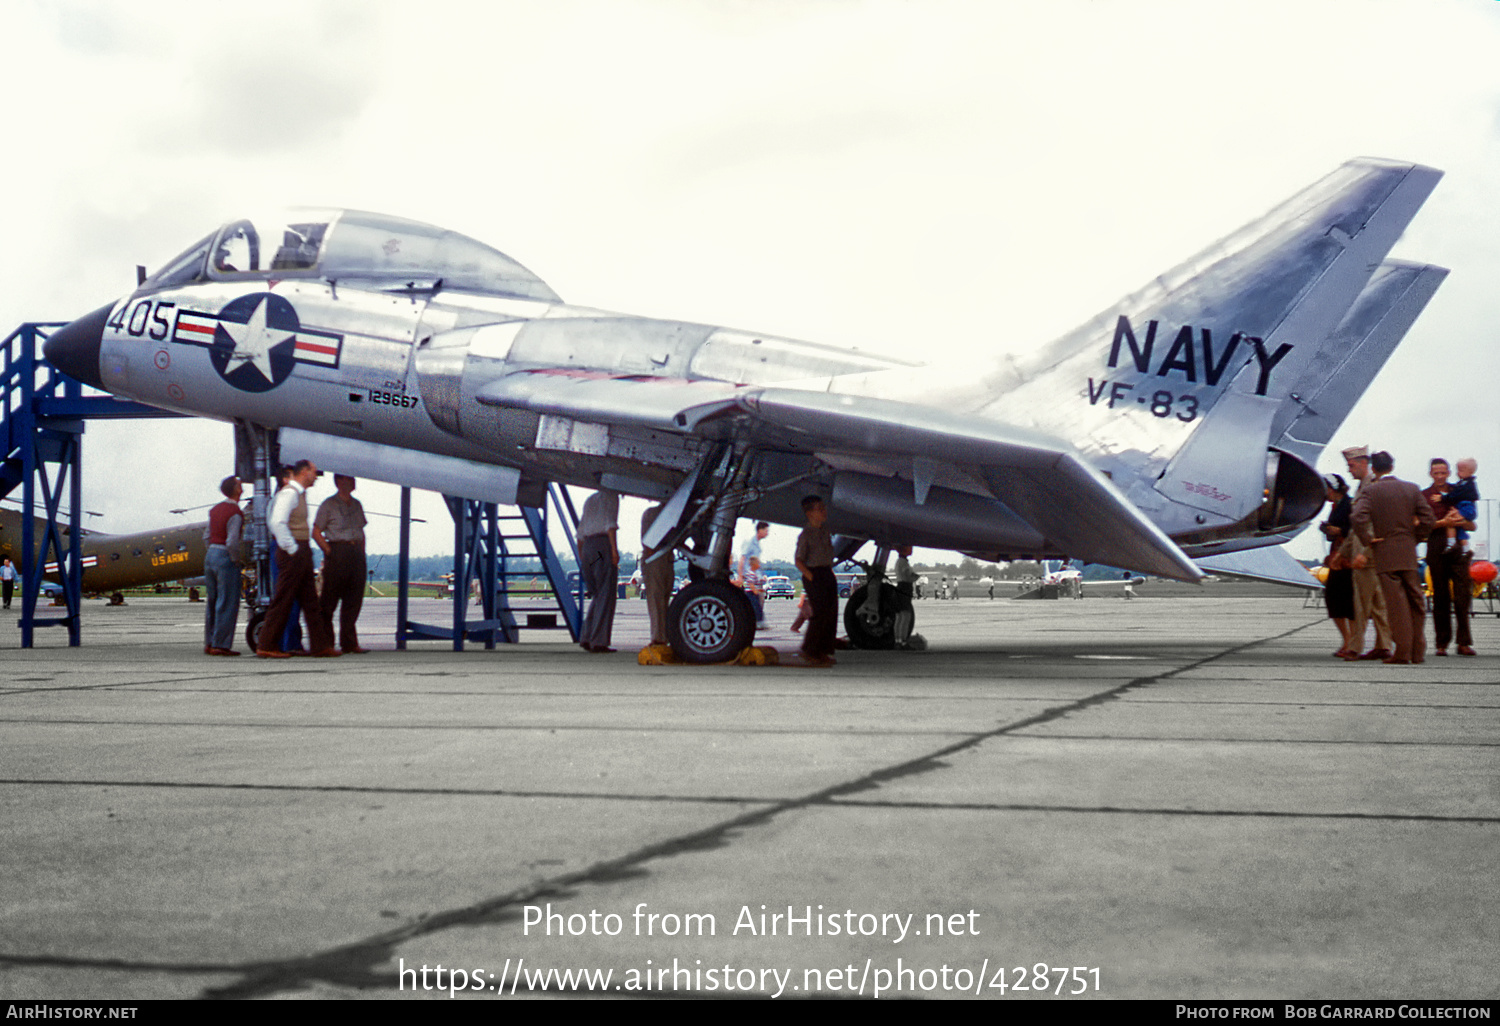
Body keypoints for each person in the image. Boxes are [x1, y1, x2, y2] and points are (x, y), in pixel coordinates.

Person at [1351, 451, 1436, 665]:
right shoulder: (1412, 489)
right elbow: (1428, 519)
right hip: (1408, 551)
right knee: (1416, 601)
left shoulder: (1371, 491)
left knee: (1396, 605)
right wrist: (1415, 538)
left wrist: (1368, 539)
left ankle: (1403, 652)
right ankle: (1418, 651)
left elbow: (1357, 517)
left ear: (1374, 468)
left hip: (1385, 552)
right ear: (1392, 466)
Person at [257, 460, 338, 659]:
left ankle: (320, 645)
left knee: (310, 600)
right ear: (303, 473)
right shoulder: (289, 494)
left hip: (301, 550)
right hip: (293, 551)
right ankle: (267, 644)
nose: (315, 476)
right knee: (283, 599)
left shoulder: (299, 494)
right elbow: (277, 522)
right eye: (313, 471)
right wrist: (292, 549)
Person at [1339, 445, 1394, 661]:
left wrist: (1365, 553)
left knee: (1361, 605)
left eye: (1351, 465)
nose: (1349, 470)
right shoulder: (1363, 487)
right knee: (1379, 605)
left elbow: (1374, 524)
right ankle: (1383, 645)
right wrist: (1342, 552)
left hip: (1367, 555)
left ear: (1364, 464)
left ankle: (1355, 647)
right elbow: (1355, 527)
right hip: (1371, 554)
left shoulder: (1372, 487)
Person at [1422, 458, 1478, 657]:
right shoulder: (1424, 496)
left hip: (1458, 548)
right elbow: (1421, 526)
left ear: (1448, 473)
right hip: (1436, 546)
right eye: (1436, 473)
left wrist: (1461, 522)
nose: (1439, 477)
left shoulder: (1459, 492)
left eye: (1443, 473)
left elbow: (1473, 525)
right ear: (1430, 474)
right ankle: (1441, 643)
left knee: (1463, 595)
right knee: (1441, 597)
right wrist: (1443, 522)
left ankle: (1464, 643)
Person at [314, 474, 369, 654]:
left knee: (353, 600)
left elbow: (361, 530)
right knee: (329, 600)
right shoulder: (328, 505)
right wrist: (329, 551)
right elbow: (316, 532)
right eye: (348, 479)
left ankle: (350, 643)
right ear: (339, 482)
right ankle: (326, 643)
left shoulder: (357, 504)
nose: (353, 482)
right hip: (337, 551)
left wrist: (362, 553)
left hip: (356, 553)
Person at [203, 476, 245, 656]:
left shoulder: (214, 510)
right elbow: (232, 541)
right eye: (240, 484)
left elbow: (206, 536)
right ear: (236, 490)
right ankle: (221, 645)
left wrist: (212, 550)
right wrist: (236, 559)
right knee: (227, 601)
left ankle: (210, 642)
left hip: (210, 554)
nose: (242, 487)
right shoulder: (235, 513)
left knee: (212, 601)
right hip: (224, 557)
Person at [794, 495, 837, 665]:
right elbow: (798, 560)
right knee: (819, 614)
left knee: (830, 614)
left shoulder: (825, 531)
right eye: (820, 509)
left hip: (827, 572)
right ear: (810, 513)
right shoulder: (806, 535)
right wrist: (812, 577)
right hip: (814, 574)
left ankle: (823, 650)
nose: (824, 511)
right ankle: (810, 650)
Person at [1318, 473, 1357, 658]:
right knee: (1334, 598)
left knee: (1345, 600)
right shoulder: (1337, 507)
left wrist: (1339, 530)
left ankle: (1351, 641)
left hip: (1346, 555)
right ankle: (1348, 639)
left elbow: (1355, 528)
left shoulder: (1349, 505)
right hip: (1337, 553)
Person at [578, 489, 619, 653]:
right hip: (602, 547)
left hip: (588, 548)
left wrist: (583, 556)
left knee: (597, 593)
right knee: (605, 593)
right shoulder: (611, 496)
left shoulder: (590, 499)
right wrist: (614, 551)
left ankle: (587, 636)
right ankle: (599, 641)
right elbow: (610, 525)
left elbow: (580, 532)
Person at [640, 503, 673, 647]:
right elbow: (647, 542)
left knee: (660, 599)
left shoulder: (652, 513)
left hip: (662, 555)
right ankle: (659, 636)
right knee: (658, 599)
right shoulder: (655, 513)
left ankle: (661, 635)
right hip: (656, 555)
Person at [738, 521, 771, 631]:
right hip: (750, 577)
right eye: (766, 530)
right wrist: (740, 576)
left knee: (758, 600)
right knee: (753, 601)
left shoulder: (757, 543)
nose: (767, 533)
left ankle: (758, 621)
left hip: (756, 577)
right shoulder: (750, 543)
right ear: (759, 530)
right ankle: (756, 621)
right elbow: (742, 559)